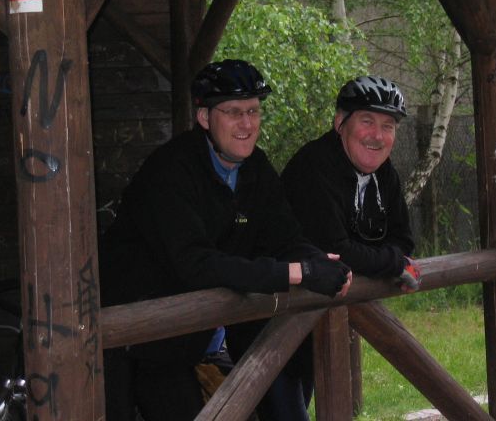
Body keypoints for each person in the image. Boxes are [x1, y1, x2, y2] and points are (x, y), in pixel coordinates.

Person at [99, 59, 351, 421]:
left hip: (190, 335)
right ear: (204, 118)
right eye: (233, 112)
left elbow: (284, 235)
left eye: (253, 111)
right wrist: (296, 273)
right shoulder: (171, 170)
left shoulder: (255, 168)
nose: (247, 124)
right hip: (132, 337)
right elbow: (196, 264)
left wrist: (321, 263)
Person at [281, 75, 420, 289]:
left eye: (388, 126)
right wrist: (394, 263)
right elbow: (336, 252)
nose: (378, 136)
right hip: (280, 306)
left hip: (345, 301)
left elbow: (403, 241)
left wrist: (386, 260)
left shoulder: (384, 172)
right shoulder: (313, 167)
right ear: (340, 123)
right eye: (367, 121)